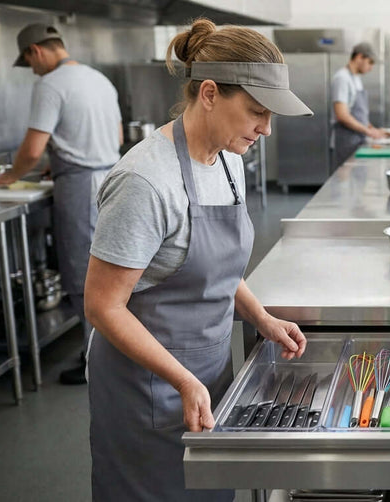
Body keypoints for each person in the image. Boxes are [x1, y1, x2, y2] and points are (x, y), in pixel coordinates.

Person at [84, 19, 311, 500]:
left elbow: (218, 271)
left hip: (206, 376)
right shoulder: (145, 182)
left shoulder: (229, 160)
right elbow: (103, 306)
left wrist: (261, 317)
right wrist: (182, 380)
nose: (265, 129)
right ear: (209, 93)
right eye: (256, 112)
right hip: (145, 387)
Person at [0, 23, 122, 385]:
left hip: (80, 186)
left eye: (29, 62)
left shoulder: (49, 85)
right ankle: (108, 350)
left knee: (83, 274)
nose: (32, 70)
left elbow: (33, 149)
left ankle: (95, 361)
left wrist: (8, 177)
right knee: (111, 268)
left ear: (36, 51)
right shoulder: (98, 79)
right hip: (110, 178)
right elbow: (113, 136)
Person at [330, 42, 390, 169]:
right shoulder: (342, 78)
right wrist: (368, 132)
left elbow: (358, 114)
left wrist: (373, 129)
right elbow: (342, 115)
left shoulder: (355, 79)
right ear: (359, 57)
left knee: (358, 182)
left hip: (357, 139)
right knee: (344, 184)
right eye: (370, 62)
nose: (371, 67)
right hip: (346, 142)